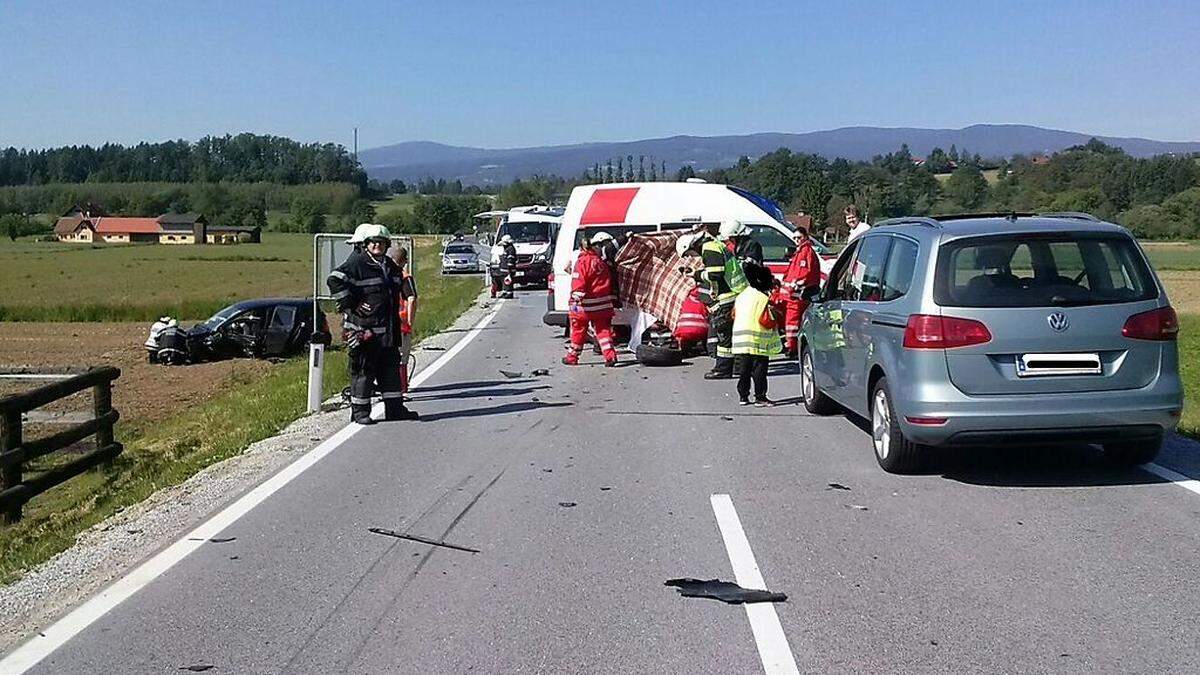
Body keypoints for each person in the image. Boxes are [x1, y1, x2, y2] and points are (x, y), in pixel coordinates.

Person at [327, 224, 418, 425]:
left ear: (386, 245)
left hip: (388, 332)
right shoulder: (357, 263)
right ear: (366, 244)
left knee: (390, 372)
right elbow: (334, 280)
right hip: (363, 331)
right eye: (373, 242)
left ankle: (395, 409)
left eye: (381, 242)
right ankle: (360, 413)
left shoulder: (389, 265)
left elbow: (400, 285)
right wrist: (353, 304)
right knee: (363, 372)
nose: (377, 245)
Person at [698, 220, 748, 379]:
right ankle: (736, 367)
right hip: (739, 293)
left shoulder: (711, 247)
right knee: (732, 335)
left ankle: (724, 369)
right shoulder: (720, 246)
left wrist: (698, 275)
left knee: (725, 335)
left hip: (732, 295)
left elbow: (715, 274)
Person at [563, 232, 618, 367]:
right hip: (603, 305)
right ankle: (610, 356)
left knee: (578, 330)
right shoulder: (601, 262)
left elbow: (578, 282)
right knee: (603, 331)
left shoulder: (583, 261)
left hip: (584, 306)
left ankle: (572, 356)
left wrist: (575, 300)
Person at [731, 280, 783, 407]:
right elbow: (770, 318)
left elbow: (733, 315)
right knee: (759, 369)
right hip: (758, 338)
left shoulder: (741, 296)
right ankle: (760, 397)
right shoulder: (763, 298)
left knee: (744, 369)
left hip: (741, 338)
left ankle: (743, 396)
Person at [781, 224, 822, 358]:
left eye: (799, 237)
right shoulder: (800, 251)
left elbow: (804, 274)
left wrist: (793, 287)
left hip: (799, 295)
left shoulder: (805, 252)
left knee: (792, 322)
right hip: (794, 293)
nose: (797, 240)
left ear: (805, 237)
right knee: (791, 321)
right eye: (795, 238)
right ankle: (790, 344)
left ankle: (791, 347)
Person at [387, 244, 418, 397]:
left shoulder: (385, 276)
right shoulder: (405, 277)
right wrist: (410, 321)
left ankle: (390, 387)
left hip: (387, 323)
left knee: (389, 357)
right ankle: (402, 387)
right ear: (404, 260)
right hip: (402, 323)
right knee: (402, 358)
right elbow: (411, 299)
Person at [496, 234, 517, 299]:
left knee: (508, 282)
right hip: (505, 270)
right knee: (505, 282)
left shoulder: (511, 249)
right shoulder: (507, 248)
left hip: (508, 270)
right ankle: (505, 292)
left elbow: (510, 260)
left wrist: (509, 270)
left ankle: (509, 293)